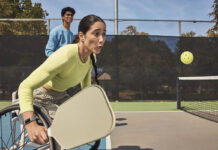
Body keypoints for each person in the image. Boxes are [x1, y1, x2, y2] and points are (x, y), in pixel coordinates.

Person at [18, 14, 106, 145]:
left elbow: (86, 85)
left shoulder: (92, 57)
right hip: (41, 97)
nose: (101, 40)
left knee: (79, 123)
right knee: (64, 130)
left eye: (104, 34)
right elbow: (25, 86)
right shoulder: (65, 55)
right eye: (96, 34)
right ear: (82, 36)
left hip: (61, 96)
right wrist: (30, 123)